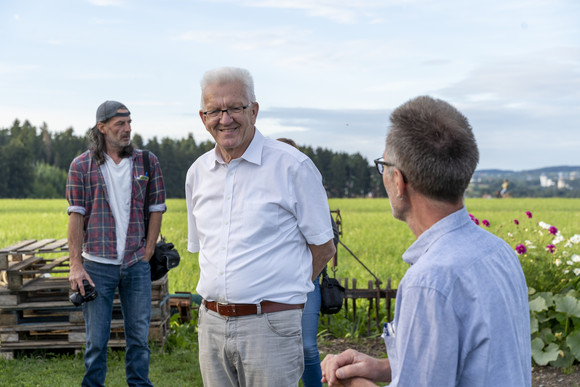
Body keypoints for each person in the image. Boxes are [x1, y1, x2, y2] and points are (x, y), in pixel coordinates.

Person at [321, 96, 531, 386]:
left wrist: (350, 383)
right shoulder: (499, 252)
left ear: (399, 181)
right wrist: (385, 367)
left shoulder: (429, 282)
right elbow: (473, 361)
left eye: (384, 165)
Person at [186, 67, 336, 387]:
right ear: (203, 117)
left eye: (235, 108)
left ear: (254, 110)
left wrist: (280, 295)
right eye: (215, 110)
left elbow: (323, 248)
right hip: (210, 324)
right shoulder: (197, 173)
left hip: (270, 325)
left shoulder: (292, 166)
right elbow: (206, 250)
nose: (225, 118)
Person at [67, 100, 166, 387]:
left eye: (129, 123)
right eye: (119, 124)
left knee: (139, 338)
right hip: (97, 267)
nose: (127, 129)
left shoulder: (148, 162)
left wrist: (148, 250)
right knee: (96, 342)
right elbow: (76, 217)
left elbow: (156, 208)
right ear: (102, 127)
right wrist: (76, 264)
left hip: (136, 265)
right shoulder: (81, 166)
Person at [277, 137, 340, 387]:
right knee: (276, 349)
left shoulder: (310, 190)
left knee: (307, 347)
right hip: (271, 282)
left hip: (308, 280)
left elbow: (330, 236)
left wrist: (305, 274)